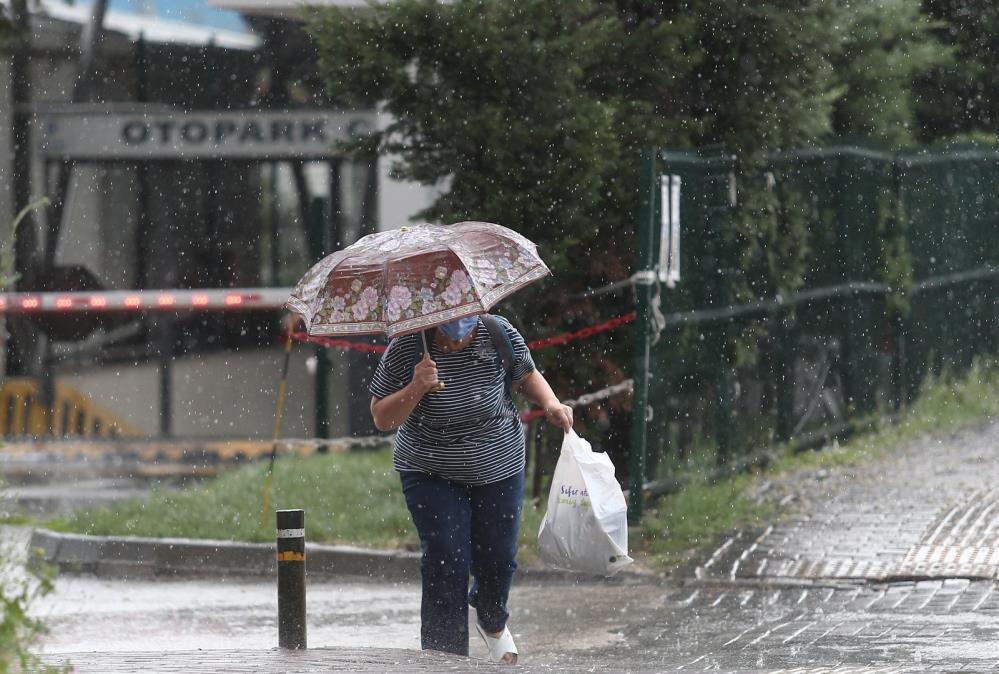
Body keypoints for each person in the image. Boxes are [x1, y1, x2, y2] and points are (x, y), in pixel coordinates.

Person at [369, 313, 572, 664]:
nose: (460, 326)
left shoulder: (497, 331)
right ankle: (443, 658)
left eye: (467, 318)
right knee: (446, 559)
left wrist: (551, 403)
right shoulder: (408, 345)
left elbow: (526, 375)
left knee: (499, 558)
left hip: (498, 463)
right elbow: (382, 417)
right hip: (430, 469)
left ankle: (492, 619)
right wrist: (416, 386)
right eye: (450, 318)